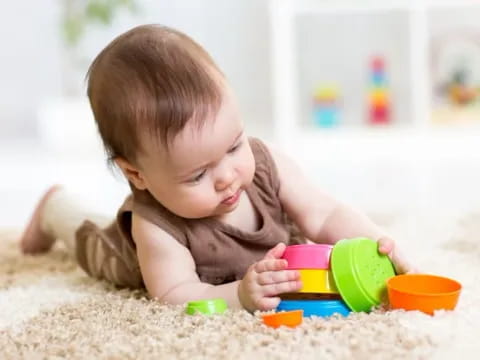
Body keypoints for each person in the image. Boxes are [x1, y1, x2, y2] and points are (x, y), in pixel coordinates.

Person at [19, 24, 415, 313]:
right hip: (127, 257)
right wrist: (238, 295)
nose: (226, 175)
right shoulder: (154, 225)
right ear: (137, 175)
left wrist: (377, 242)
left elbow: (324, 213)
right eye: (197, 175)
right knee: (89, 241)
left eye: (233, 145)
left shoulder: (265, 165)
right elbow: (175, 293)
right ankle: (54, 206)